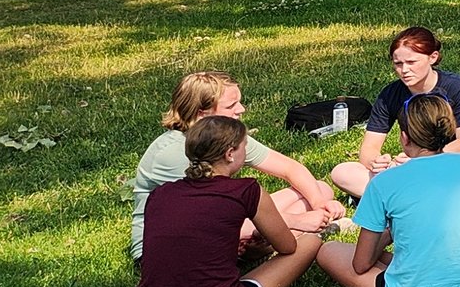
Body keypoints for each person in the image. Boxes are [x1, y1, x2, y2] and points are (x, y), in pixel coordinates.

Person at [316, 95, 460, 287]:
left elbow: (361, 264)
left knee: (329, 250)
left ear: (404, 138)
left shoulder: (383, 182)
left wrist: (392, 232)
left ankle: (417, 269)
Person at [134, 114, 325, 287]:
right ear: (230, 154)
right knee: (310, 242)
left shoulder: (161, 194)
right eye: (244, 146)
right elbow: (287, 246)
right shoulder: (246, 190)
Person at [131, 69, 337, 262]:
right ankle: (280, 238)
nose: (241, 109)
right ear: (202, 114)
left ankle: (267, 240)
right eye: (231, 106)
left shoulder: (225, 134)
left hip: (219, 219)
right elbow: (206, 217)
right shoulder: (174, 153)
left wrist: (320, 205)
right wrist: (293, 220)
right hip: (174, 246)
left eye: (239, 102)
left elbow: (289, 168)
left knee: (320, 189)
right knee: (272, 223)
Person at [330, 26, 460, 199]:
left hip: (452, 163)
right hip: (409, 168)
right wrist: (376, 162)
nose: (404, 70)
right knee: (342, 172)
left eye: (411, 62)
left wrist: (423, 161)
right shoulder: (390, 94)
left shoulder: (458, 87)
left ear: (433, 57)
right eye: (398, 64)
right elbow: (369, 147)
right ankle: (419, 196)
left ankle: (397, 197)